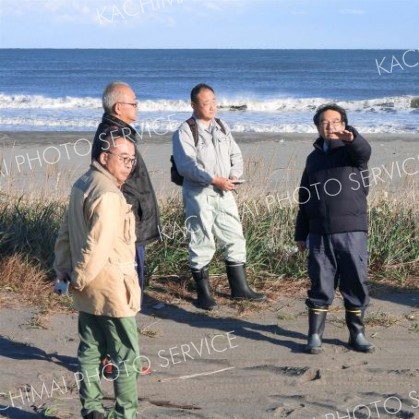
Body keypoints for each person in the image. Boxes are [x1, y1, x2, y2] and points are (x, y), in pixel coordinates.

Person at [54, 133, 141, 419]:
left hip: (88, 288)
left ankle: (91, 407)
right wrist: (78, 276)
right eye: (123, 159)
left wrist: (63, 267)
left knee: (90, 348)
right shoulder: (109, 195)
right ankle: (124, 414)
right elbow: (98, 245)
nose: (129, 165)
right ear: (105, 158)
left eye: (132, 159)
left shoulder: (82, 182)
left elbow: (66, 231)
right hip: (112, 287)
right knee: (126, 355)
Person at [172, 83, 265, 310]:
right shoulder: (185, 131)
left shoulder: (222, 126)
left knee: (234, 235)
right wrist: (214, 179)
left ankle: (240, 289)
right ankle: (204, 294)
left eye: (214, 101)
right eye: (206, 103)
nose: (212, 106)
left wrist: (233, 176)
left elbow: (236, 154)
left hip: (225, 190)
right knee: (202, 238)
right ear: (193, 105)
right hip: (199, 193)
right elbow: (186, 166)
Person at [295, 104, 375, 354]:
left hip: (352, 230)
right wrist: (301, 233)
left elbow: (364, 151)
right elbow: (304, 197)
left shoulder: (352, 152)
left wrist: (353, 138)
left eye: (336, 121)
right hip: (319, 233)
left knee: (355, 282)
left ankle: (357, 334)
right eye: (324, 122)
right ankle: (315, 336)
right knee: (320, 283)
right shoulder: (313, 158)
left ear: (344, 124)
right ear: (318, 127)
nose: (330, 126)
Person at [91, 81, 160, 302]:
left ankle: (130, 305)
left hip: (131, 211)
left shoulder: (117, 131)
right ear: (118, 108)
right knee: (127, 268)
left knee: (130, 267)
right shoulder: (114, 135)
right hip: (128, 214)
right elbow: (116, 180)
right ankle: (128, 312)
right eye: (134, 103)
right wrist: (128, 211)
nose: (137, 107)